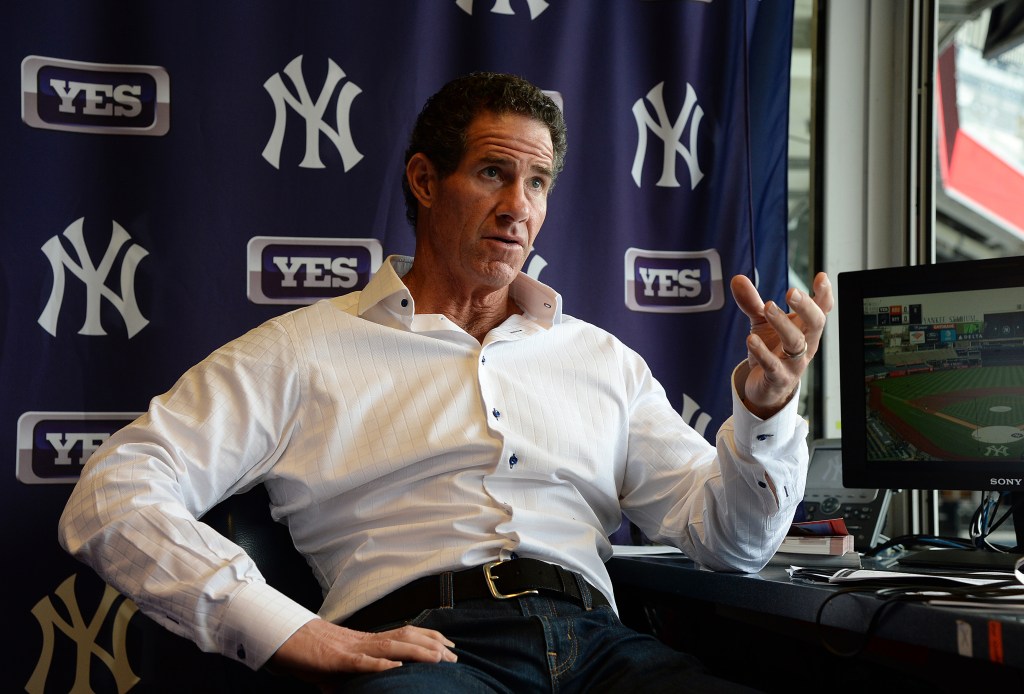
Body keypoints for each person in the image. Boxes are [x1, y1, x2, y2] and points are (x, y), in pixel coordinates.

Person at [59, 72, 832, 692]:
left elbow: (731, 542)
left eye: (537, 184)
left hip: (606, 650)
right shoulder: (301, 350)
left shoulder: (603, 360)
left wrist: (765, 413)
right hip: (428, 656)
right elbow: (113, 493)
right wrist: (283, 629)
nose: (517, 209)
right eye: (493, 173)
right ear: (426, 181)